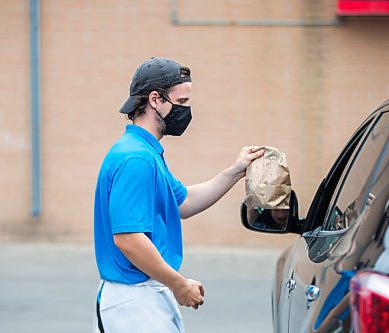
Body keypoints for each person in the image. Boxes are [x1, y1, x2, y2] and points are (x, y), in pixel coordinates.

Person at [93, 57, 264, 333]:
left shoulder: (144, 151)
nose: (186, 111)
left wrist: (235, 171)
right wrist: (178, 283)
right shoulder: (137, 159)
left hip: (141, 298)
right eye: (181, 103)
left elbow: (183, 202)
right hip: (135, 304)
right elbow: (128, 238)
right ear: (154, 100)